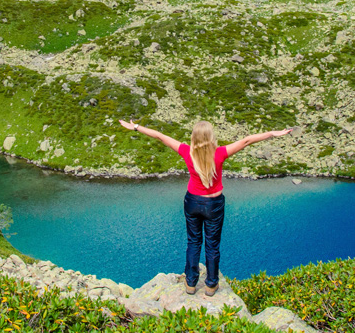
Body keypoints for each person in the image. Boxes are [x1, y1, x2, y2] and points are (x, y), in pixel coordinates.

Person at [118, 119, 293, 296]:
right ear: (211, 137)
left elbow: (160, 136)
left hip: (193, 202)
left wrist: (136, 127)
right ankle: (211, 285)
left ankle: (191, 283)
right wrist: (272, 133)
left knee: (193, 242)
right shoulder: (220, 153)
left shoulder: (187, 151)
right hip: (214, 204)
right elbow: (247, 140)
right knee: (212, 245)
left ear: (194, 137)